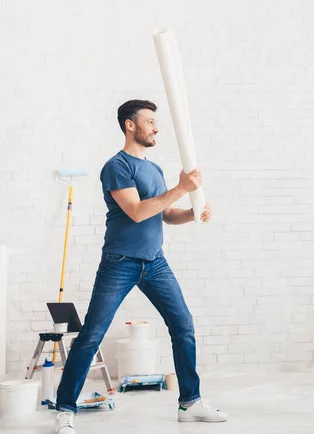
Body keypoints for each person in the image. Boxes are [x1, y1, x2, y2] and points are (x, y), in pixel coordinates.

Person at [54, 100, 227, 434]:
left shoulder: (155, 169)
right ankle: (65, 409)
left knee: (183, 325)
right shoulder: (116, 166)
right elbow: (136, 211)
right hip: (120, 262)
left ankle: (189, 403)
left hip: (155, 262)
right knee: (91, 335)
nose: (156, 127)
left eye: (156, 122)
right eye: (150, 121)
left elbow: (163, 214)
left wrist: (193, 211)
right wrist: (181, 189)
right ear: (130, 125)